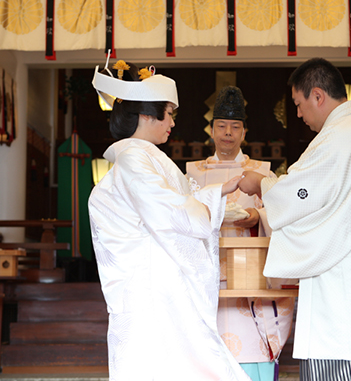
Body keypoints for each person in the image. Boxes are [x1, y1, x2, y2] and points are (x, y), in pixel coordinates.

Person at [239, 58, 351, 380]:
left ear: (318, 96)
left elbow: (303, 193)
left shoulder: (342, 135)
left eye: (299, 104)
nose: (298, 114)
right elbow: (323, 200)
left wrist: (262, 185)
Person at [88, 60, 251, 381]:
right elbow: (165, 209)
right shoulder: (136, 158)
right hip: (151, 292)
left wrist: (215, 193)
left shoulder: (142, 157)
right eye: (169, 114)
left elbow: (171, 203)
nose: (173, 123)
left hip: (152, 289)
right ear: (147, 116)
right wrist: (208, 205)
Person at [186, 86, 295, 381]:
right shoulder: (192, 174)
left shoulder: (262, 173)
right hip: (207, 277)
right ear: (211, 130)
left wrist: (257, 216)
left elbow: (284, 213)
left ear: (244, 132)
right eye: (221, 126)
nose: (228, 133)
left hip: (251, 281)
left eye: (235, 127)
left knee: (252, 348)